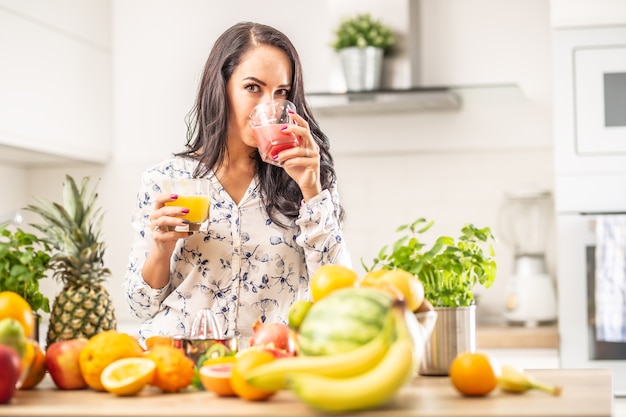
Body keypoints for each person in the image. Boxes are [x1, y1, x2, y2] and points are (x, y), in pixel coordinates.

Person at [124, 21, 351, 346]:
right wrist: (160, 250)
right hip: (178, 363)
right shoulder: (165, 180)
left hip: (267, 365)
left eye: (281, 93)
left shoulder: (307, 180)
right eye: (253, 88)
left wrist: (313, 192)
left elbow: (339, 296)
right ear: (222, 87)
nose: (268, 107)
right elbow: (140, 306)